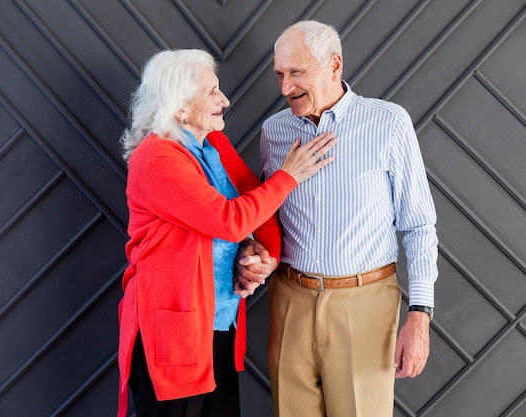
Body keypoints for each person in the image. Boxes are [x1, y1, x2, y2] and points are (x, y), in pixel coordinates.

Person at [116, 48, 337, 417]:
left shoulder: (210, 144)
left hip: (217, 324)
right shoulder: (157, 158)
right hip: (173, 333)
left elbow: (252, 208)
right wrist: (289, 175)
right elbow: (229, 219)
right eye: (211, 93)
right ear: (179, 108)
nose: (225, 100)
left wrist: (257, 256)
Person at [235, 21, 439, 417]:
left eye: (297, 72)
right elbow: (267, 218)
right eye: (279, 74)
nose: (284, 87)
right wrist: (254, 249)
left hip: (365, 304)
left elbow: (418, 226)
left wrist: (420, 315)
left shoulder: (388, 123)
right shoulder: (273, 132)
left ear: (334, 65)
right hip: (289, 300)